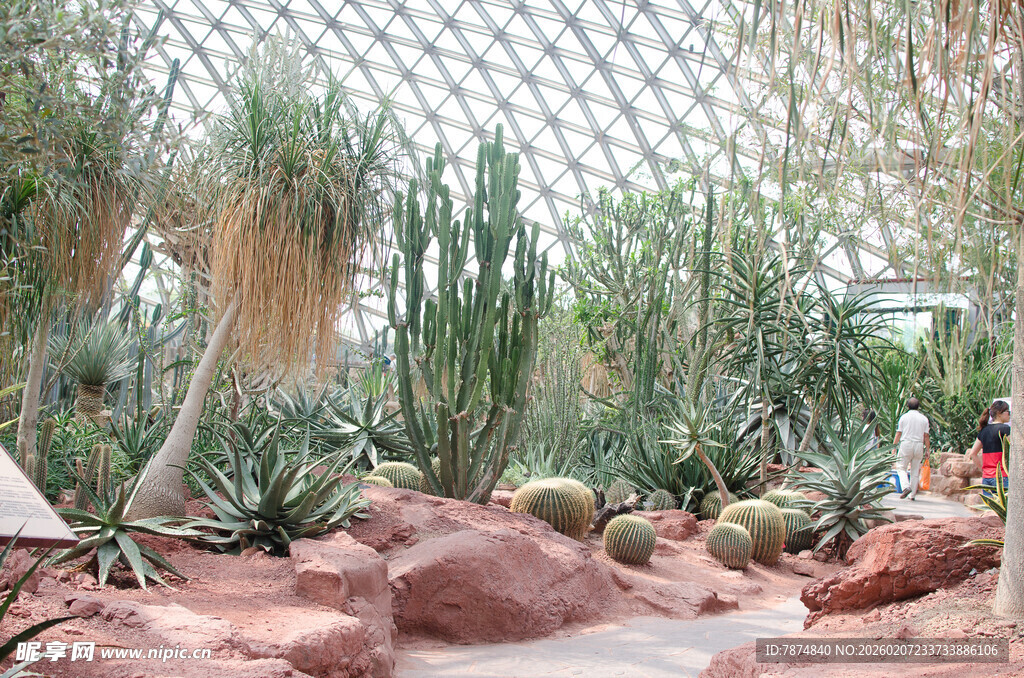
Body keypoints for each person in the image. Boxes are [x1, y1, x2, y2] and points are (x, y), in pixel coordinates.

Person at [967, 400, 1010, 496]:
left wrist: (982, 469)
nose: (1009, 414)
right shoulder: (1006, 429)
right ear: (999, 413)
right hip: (1002, 476)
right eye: (1008, 411)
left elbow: (973, 454)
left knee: (990, 508)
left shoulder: (984, 431)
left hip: (987, 478)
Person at [893, 397, 930, 500]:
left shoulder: (904, 417)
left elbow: (898, 433)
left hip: (906, 444)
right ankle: (912, 495)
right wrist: (927, 450)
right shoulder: (924, 419)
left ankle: (905, 487)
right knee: (915, 470)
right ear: (918, 406)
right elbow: (926, 435)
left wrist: (894, 447)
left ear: (907, 406)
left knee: (901, 467)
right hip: (919, 445)